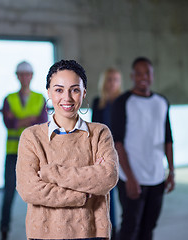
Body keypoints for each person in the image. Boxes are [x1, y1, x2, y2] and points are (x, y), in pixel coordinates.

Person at [16, 59, 119, 240]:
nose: (67, 97)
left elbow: (108, 177)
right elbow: (29, 189)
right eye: (59, 90)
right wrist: (83, 193)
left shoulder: (100, 133)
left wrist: (50, 172)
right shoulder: (31, 137)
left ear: (84, 92)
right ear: (48, 92)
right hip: (43, 234)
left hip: (92, 233)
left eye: (75, 89)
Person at [111, 57, 175, 240]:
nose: (143, 77)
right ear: (132, 76)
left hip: (156, 177)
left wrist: (171, 170)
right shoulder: (123, 102)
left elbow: (168, 139)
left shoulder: (162, 101)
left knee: (149, 228)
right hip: (131, 177)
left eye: (147, 72)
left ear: (152, 75)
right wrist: (130, 178)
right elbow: (118, 143)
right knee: (130, 227)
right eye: (138, 73)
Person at [0, 61, 47, 240]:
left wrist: (19, 120)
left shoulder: (40, 98)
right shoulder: (9, 98)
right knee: (9, 193)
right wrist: (29, 119)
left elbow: (42, 124)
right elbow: (9, 123)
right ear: (17, 76)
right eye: (22, 74)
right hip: (13, 152)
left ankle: (41, 228)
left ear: (32, 76)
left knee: (39, 192)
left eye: (28, 74)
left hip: (34, 153)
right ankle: (4, 229)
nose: (25, 77)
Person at [92, 67, 123, 239]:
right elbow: (95, 131)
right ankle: (111, 229)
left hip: (123, 153)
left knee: (125, 193)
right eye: (109, 79)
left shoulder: (124, 102)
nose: (112, 83)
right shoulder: (98, 102)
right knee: (107, 195)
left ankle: (122, 230)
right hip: (105, 155)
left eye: (116, 79)